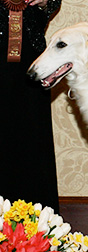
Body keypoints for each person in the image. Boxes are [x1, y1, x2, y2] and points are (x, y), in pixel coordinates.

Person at [0, 0, 61, 211]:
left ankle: (38, 233)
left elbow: (53, 3)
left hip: (32, 55)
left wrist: (46, 1)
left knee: (32, 139)